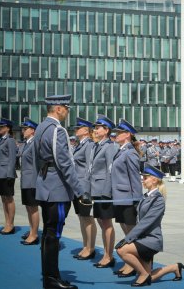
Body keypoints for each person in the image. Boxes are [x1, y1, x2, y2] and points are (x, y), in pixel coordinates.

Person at [34, 94, 92, 289]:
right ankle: (51, 279)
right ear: (58, 108)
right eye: (66, 108)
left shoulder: (41, 127)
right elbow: (64, 163)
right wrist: (80, 191)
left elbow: (37, 159)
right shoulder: (57, 129)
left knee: (48, 233)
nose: (67, 112)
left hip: (45, 186)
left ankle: (50, 275)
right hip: (57, 189)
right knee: (53, 234)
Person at [115, 164, 184, 287]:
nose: (143, 180)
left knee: (122, 250)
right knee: (151, 278)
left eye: (145, 178)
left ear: (154, 180)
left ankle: (143, 274)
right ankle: (175, 267)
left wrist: (128, 238)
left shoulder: (158, 200)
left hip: (151, 240)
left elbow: (145, 222)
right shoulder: (147, 196)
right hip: (142, 239)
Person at [111, 119, 143, 278]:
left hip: (128, 198)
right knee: (126, 231)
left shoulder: (130, 152)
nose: (115, 135)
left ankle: (134, 264)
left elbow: (135, 178)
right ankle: (129, 262)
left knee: (131, 233)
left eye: (119, 133)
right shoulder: (121, 150)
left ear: (127, 134)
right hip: (120, 197)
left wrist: (137, 200)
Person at [87, 114, 117, 268]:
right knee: (101, 222)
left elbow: (110, 170)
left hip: (103, 192)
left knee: (106, 223)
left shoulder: (109, 146)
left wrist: (106, 192)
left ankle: (108, 255)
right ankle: (106, 253)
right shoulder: (97, 146)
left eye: (98, 128)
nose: (95, 130)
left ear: (106, 130)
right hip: (96, 190)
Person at [72, 117, 96, 260]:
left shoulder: (88, 145)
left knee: (87, 218)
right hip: (77, 186)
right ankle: (85, 246)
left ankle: (90, 248)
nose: (75, 130)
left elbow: (89, 168)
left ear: (86, 131)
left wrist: (86, 190)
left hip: (84, 188)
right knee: (82, 218)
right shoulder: (79, 144)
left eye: (78, 128)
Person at [19, 117, 40, 245]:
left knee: (33, 207)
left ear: (32, 130)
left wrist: (35, 181)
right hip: (25, 180)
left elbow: (36, 164)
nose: (23, 131)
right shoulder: (27, 143)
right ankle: (32, 229)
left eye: (26, 129)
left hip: (31, 180)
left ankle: (34, 234)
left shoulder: (34, 143)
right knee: (28, 207)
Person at [0, 117, 17, 235]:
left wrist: (10, 175)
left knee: (9, 199)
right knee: (3, 199)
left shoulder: (9, 140)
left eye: (2, 127)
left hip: (6, 174)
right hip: (0, 173)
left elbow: (12, 158)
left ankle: (11, 224)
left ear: (7, 128)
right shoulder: (1, 140)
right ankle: (7, 223)